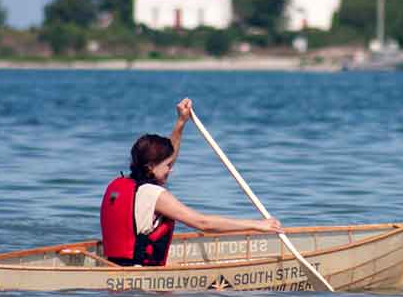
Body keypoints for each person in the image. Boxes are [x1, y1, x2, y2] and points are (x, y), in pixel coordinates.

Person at [100, 98, 282, 266]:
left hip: (116, 265)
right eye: (168, 166)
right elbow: (203, 223)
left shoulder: (123, 184)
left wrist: (181, 122)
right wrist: (258, 225)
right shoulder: (155, 195)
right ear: (150, 167)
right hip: (140, 275)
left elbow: (167, 157)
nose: (171, 169)